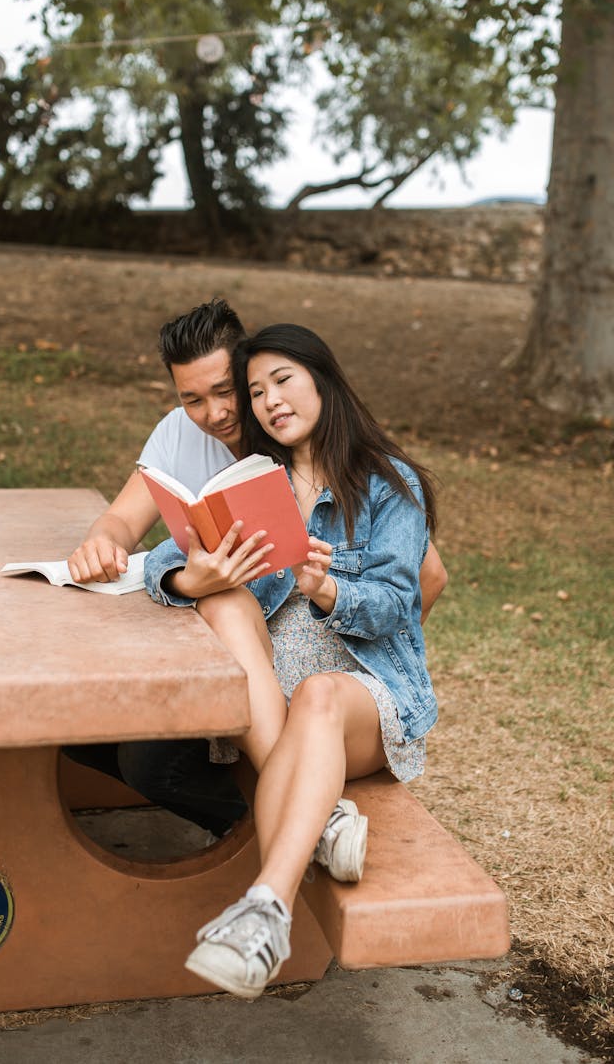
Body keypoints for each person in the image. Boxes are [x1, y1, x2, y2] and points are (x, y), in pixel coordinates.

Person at [65, 299, 447, 837]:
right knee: (89, 733)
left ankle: (289, 820)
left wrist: (364, 670)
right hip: (238, 654)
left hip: (305, 668)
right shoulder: (184, 434)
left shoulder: (330, 457)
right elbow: (125, 527)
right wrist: (134, 558)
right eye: (193, 399)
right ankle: (314, 824)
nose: (216, 413)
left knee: (150, 760)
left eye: (228, 392)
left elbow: (424, 579)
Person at [143, 323, 439, 999]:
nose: (270, 400)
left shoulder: (390, 485)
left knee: (320, 696)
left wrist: (330, 590)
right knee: (220, 602)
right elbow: (164, 558)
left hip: (361, 695)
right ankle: (325, 816)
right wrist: (197, 574)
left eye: (283, 380)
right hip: (271, 695)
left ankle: (266, 908)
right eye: (257, 392)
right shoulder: (254, 480)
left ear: (323, 380)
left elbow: (401, 602)